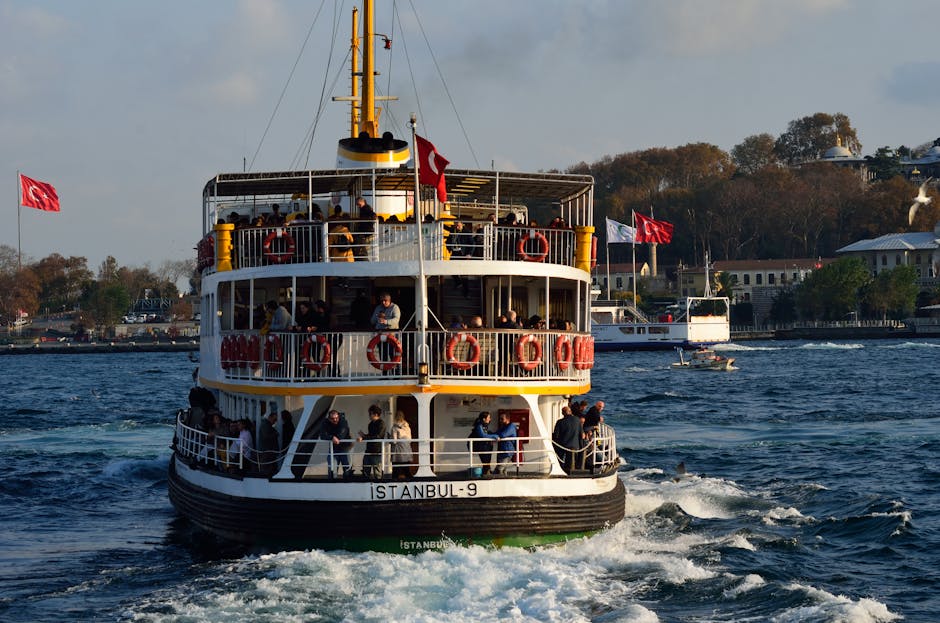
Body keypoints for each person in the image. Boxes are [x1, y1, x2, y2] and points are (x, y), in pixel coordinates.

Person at [320, 410, 353, 478]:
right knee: (332, 469)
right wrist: (332, 437)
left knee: (347, 470)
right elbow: (322, 435)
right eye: (332, 419)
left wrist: (331, 436)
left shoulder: (343, 422)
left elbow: (341, 435)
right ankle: (332, 485)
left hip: (345, 448)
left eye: (336, 418)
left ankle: (348, 485)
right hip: (334, 449)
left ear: (339, 417)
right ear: (329, 419)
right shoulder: (325, 423)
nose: (335, 420)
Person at [358, 404, 387, 480]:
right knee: (365, 471)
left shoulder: (381, 423)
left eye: (370, 414)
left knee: (377, 473)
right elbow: (371, 435)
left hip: (376, 451)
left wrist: (364, 438)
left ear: (376, 414)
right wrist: (364, 436)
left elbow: (378, 436)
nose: (369, 416)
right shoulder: (370, 424)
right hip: (368, 451)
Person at [552, 405, 584, 473]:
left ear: (563, 413)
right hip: (575, 446)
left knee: (561, 459)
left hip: (563, 446)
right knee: (571, 462)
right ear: (570, 412)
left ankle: (560, 470)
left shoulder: (560, 422)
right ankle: (572, 471)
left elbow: (556, 435)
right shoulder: (577, 420)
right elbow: (582, 434)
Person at [389, 410, 413, 480]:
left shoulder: (395, 427)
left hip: (398, 452)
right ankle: (411, 482)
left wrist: (389, 438)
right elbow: (410, 439)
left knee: (395, 472)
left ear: (396, 417)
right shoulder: (407, 427)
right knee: (406, 470)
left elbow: (394, 441)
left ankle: (393, 484)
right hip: (406, 451)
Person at [258, 410, 280, 474]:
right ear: (270, 417)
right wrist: (275, 434)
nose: (275, 421)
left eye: (276, 420)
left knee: (271, 466)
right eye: (274, 419)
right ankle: (265, 479)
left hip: (269, 451)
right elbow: (266, 436)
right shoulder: (265, 424)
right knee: (266, 467)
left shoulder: (267, 425)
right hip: (267, 450)